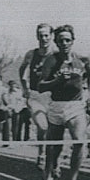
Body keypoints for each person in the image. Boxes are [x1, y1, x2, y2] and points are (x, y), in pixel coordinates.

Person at [37, 25, 90, 180]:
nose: (64, 43)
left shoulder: (82, 59)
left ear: (73, 41)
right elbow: (40, 86)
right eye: (60, 40)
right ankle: (49, 177)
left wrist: (89, 93)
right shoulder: (51, 61)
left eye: (67, 40)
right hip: (56, 106)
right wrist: (57, 80)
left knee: (79, 142)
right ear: (56, 42)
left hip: (75, 106)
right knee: (54, 147)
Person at [19, 23, 57, 172]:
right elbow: (22, 70)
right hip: (36, 95)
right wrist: (25, 88)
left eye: (47, 35)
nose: (44, 38)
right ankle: (42, 154)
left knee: (52, 129)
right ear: (37, 36)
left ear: (52, 36)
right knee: (43, 126)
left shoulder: (56, 53)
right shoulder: (31, 54)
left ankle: (52, 157)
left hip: (53, 97)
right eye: (41, 35)